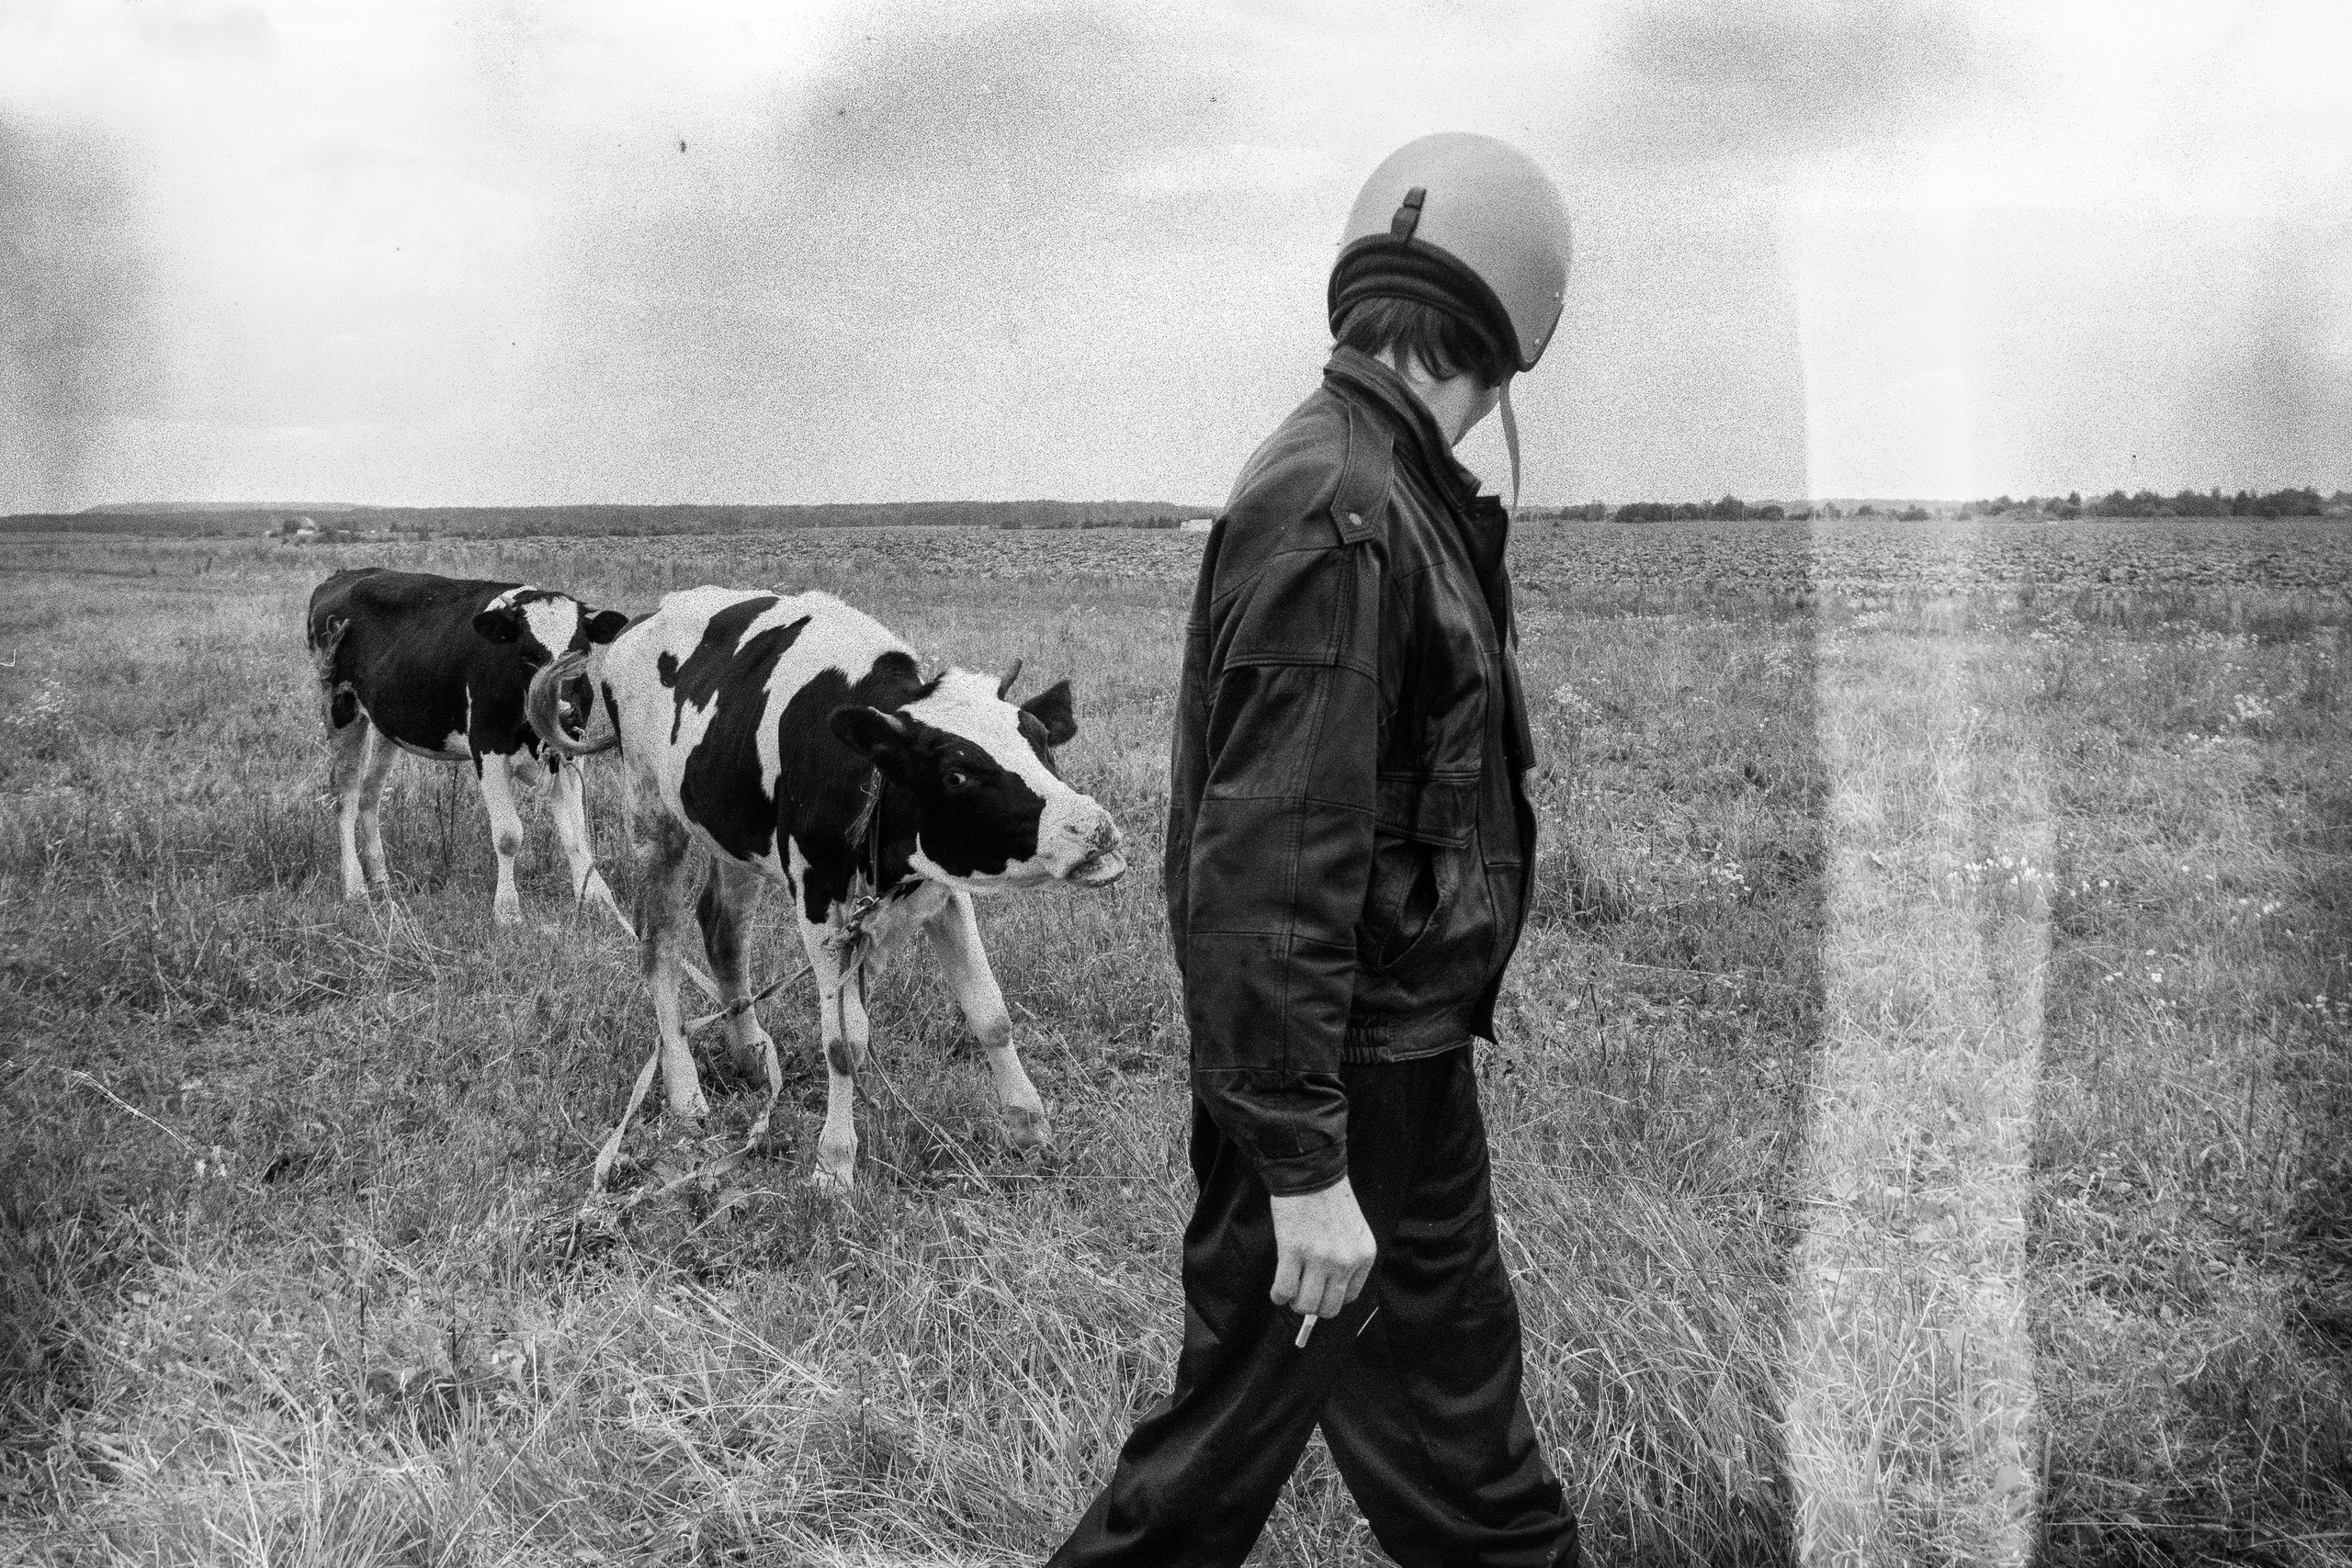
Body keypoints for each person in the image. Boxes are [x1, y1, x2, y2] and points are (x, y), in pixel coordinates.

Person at [1047, 133, 1578, 1568]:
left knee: (1463, 1467)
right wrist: (1302, 1165)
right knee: (1222, 1464)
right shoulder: (1342, 510)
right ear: (1507, 337)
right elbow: (1269, 861)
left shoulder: (1370, 483)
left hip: (1384, 1071)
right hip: (1348, 1090)